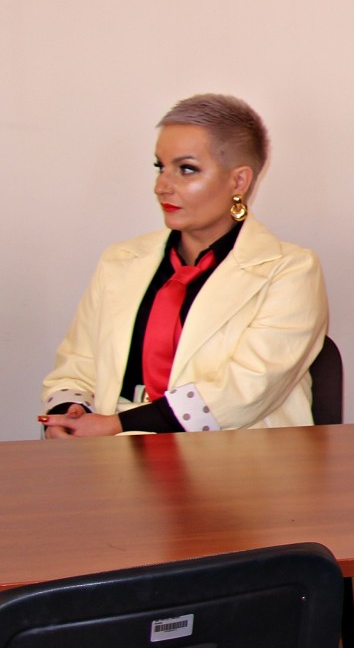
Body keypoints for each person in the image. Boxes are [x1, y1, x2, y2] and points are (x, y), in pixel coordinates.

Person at [39, 94, 328, 436]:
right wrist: (66, 415)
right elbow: (77, 363)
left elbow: (245, 391)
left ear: (239, 181)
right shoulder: (120, 261)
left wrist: (114, 426)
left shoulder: (290, 271)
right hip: (112, 453)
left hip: (239, 456)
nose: (161, 186)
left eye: (186, 169)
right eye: (160, 167)